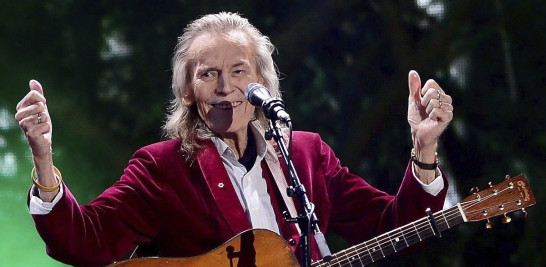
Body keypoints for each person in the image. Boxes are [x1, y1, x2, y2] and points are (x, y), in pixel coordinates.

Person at [16, 12, 453, 266]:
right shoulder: (161, 168)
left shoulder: (307, 154)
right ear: (188, 90)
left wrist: (425, 147)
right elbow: (83, 240)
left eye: (239, 71)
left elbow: (395, 227)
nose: (225, 87)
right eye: (208, 74)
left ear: (264, 82)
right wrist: (42, 156)